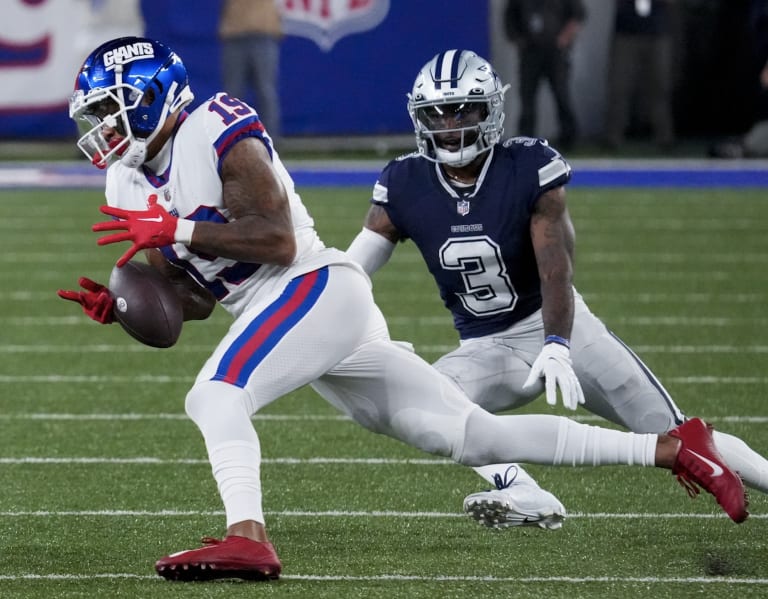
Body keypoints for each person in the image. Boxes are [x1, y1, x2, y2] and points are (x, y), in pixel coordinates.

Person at [59, 38, 747, 583]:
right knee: (472, 437)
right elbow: (196, 303)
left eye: (110, 109)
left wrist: (173, 230)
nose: (101, 129)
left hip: (316, 286)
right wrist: (125, 305)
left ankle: (248, 538)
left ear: (151, 99)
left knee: (214, 396)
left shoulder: (214, 126)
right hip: (281, 311)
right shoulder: (125, 181)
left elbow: (276, 238)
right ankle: (667, 448)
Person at [346, 48, 768, 530]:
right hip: (485, 347)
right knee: (428, 407)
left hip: (559, 326)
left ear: (491, 110)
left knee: (681, 436)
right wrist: (349, 322)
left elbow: (556, 271)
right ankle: (522, 489)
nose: (450, 125)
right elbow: (352, 273)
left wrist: (557, 344)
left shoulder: (528, 166)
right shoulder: (404, 182)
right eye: (437, 114)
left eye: (464, 110)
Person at [503, 0, 585, 148]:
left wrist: (564, 38)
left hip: (556, 52)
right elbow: (510, 17)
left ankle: (569, 140)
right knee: (527, 98)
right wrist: (519, 40)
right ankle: (525, 142)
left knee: (561, 95)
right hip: (530, 52)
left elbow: (578, 15)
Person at [603, 0, 676, 149]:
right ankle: (613, 137)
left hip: (657, 32)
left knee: (659, 86)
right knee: (619, 85)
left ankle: (664, 137)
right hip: (626, 33)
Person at [219, 0, 282, 142]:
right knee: (232, 95)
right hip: (235, 35)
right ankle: (230, 141)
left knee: (266, 92)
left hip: (263, 33)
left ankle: (270, 142)